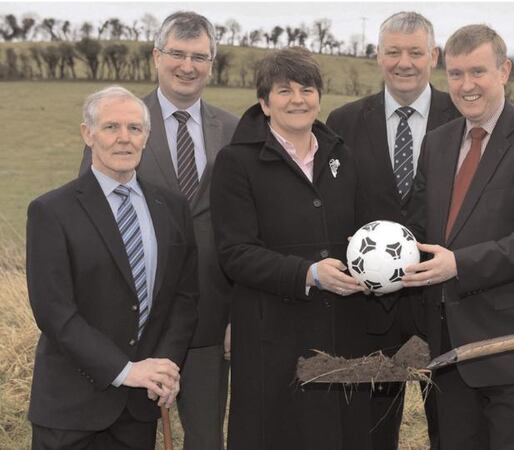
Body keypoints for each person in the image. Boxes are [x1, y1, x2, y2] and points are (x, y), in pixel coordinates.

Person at [402, 24, 514, 450]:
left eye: (478, 72)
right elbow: (422, 228)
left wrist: (459, 264)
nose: (466, 85)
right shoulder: (437, 143)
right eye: (456, 74)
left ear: (505, 71)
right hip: (446, 350)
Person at [77, 12, 238, 449]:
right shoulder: (121, 121)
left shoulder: (235, 130)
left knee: (206, 436)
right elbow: (93, 221)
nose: (188, 66)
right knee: (130, 435)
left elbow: (244, 229)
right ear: (156, 57)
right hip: (135, 325)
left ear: (211, 63)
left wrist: (236, 314)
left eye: (199, 56)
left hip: (209, 320)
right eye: (177, 54)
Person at [210, 47, 373, 450]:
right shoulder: (236, 162)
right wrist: (308, 274)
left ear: (320, 97)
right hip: (272, 337)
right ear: (264, 103)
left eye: (307, 89)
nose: (297, 99)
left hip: (340, 334)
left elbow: (361, 232)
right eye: (284, 91)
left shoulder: (342, 158)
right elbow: (235, 253)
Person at [27, 86, 198, 450]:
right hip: (70, 413)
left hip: (137, 411)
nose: (124, 138)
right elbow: (55, 312)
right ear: (87, 134)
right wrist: (126, 371)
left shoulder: (171, 207)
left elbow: (184, 298)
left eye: (135, 128)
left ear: (146, 137)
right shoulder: (51, 211)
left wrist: (163, 367)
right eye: (111, 127)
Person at [326, 11, 459, 449]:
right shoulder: (343, 122)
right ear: (378, 55)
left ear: (433, 56)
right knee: (369, 432)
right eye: (393, 51)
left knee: (453, 428)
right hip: (368, 309)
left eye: (416, 52)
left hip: (443, 305)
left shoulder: (461, 116)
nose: (405, 62)